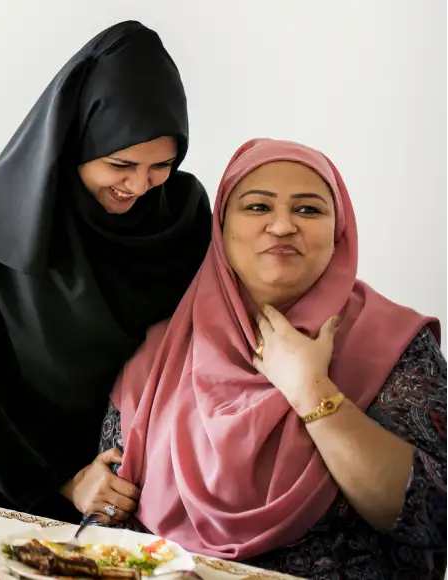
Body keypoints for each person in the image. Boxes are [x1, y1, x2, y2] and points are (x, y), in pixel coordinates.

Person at [106, 139, 446, 578]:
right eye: (257, 207)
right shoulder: (162, 347)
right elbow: (110, 515)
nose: (283, 226)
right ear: (222, 225)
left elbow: (435, 518)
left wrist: (312, 392)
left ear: (338, 231)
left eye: (308, 210)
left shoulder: (393, 343)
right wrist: (90, 494)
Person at [0, 21, 212, 520]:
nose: (139, 186)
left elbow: (193, 348)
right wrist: (65, 478)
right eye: (120, 164)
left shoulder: (183, 214)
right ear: (78, 136)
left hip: (125, 483)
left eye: (160, 166)